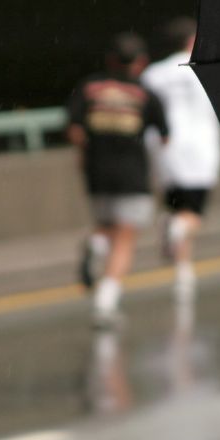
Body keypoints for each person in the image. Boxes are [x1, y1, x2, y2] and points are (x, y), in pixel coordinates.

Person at [68, 32, 168, 327]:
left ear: (110, 59)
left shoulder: (89, 87)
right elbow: (165, 136)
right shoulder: (146, 94)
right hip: (132, 173)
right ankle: (105, 303)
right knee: (125, 238)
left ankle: (96, 243)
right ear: (141, 62)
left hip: (97, 172)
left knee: (106, 224)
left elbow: (75, 129)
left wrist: (87, 153)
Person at [141, 17, 220, 300]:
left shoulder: (153, 74)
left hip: (165, 148)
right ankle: (175, 230)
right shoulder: (206, 68)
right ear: (190, 41)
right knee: (193, 214)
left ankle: (183, 273)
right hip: (201, 148)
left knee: (177, 208)